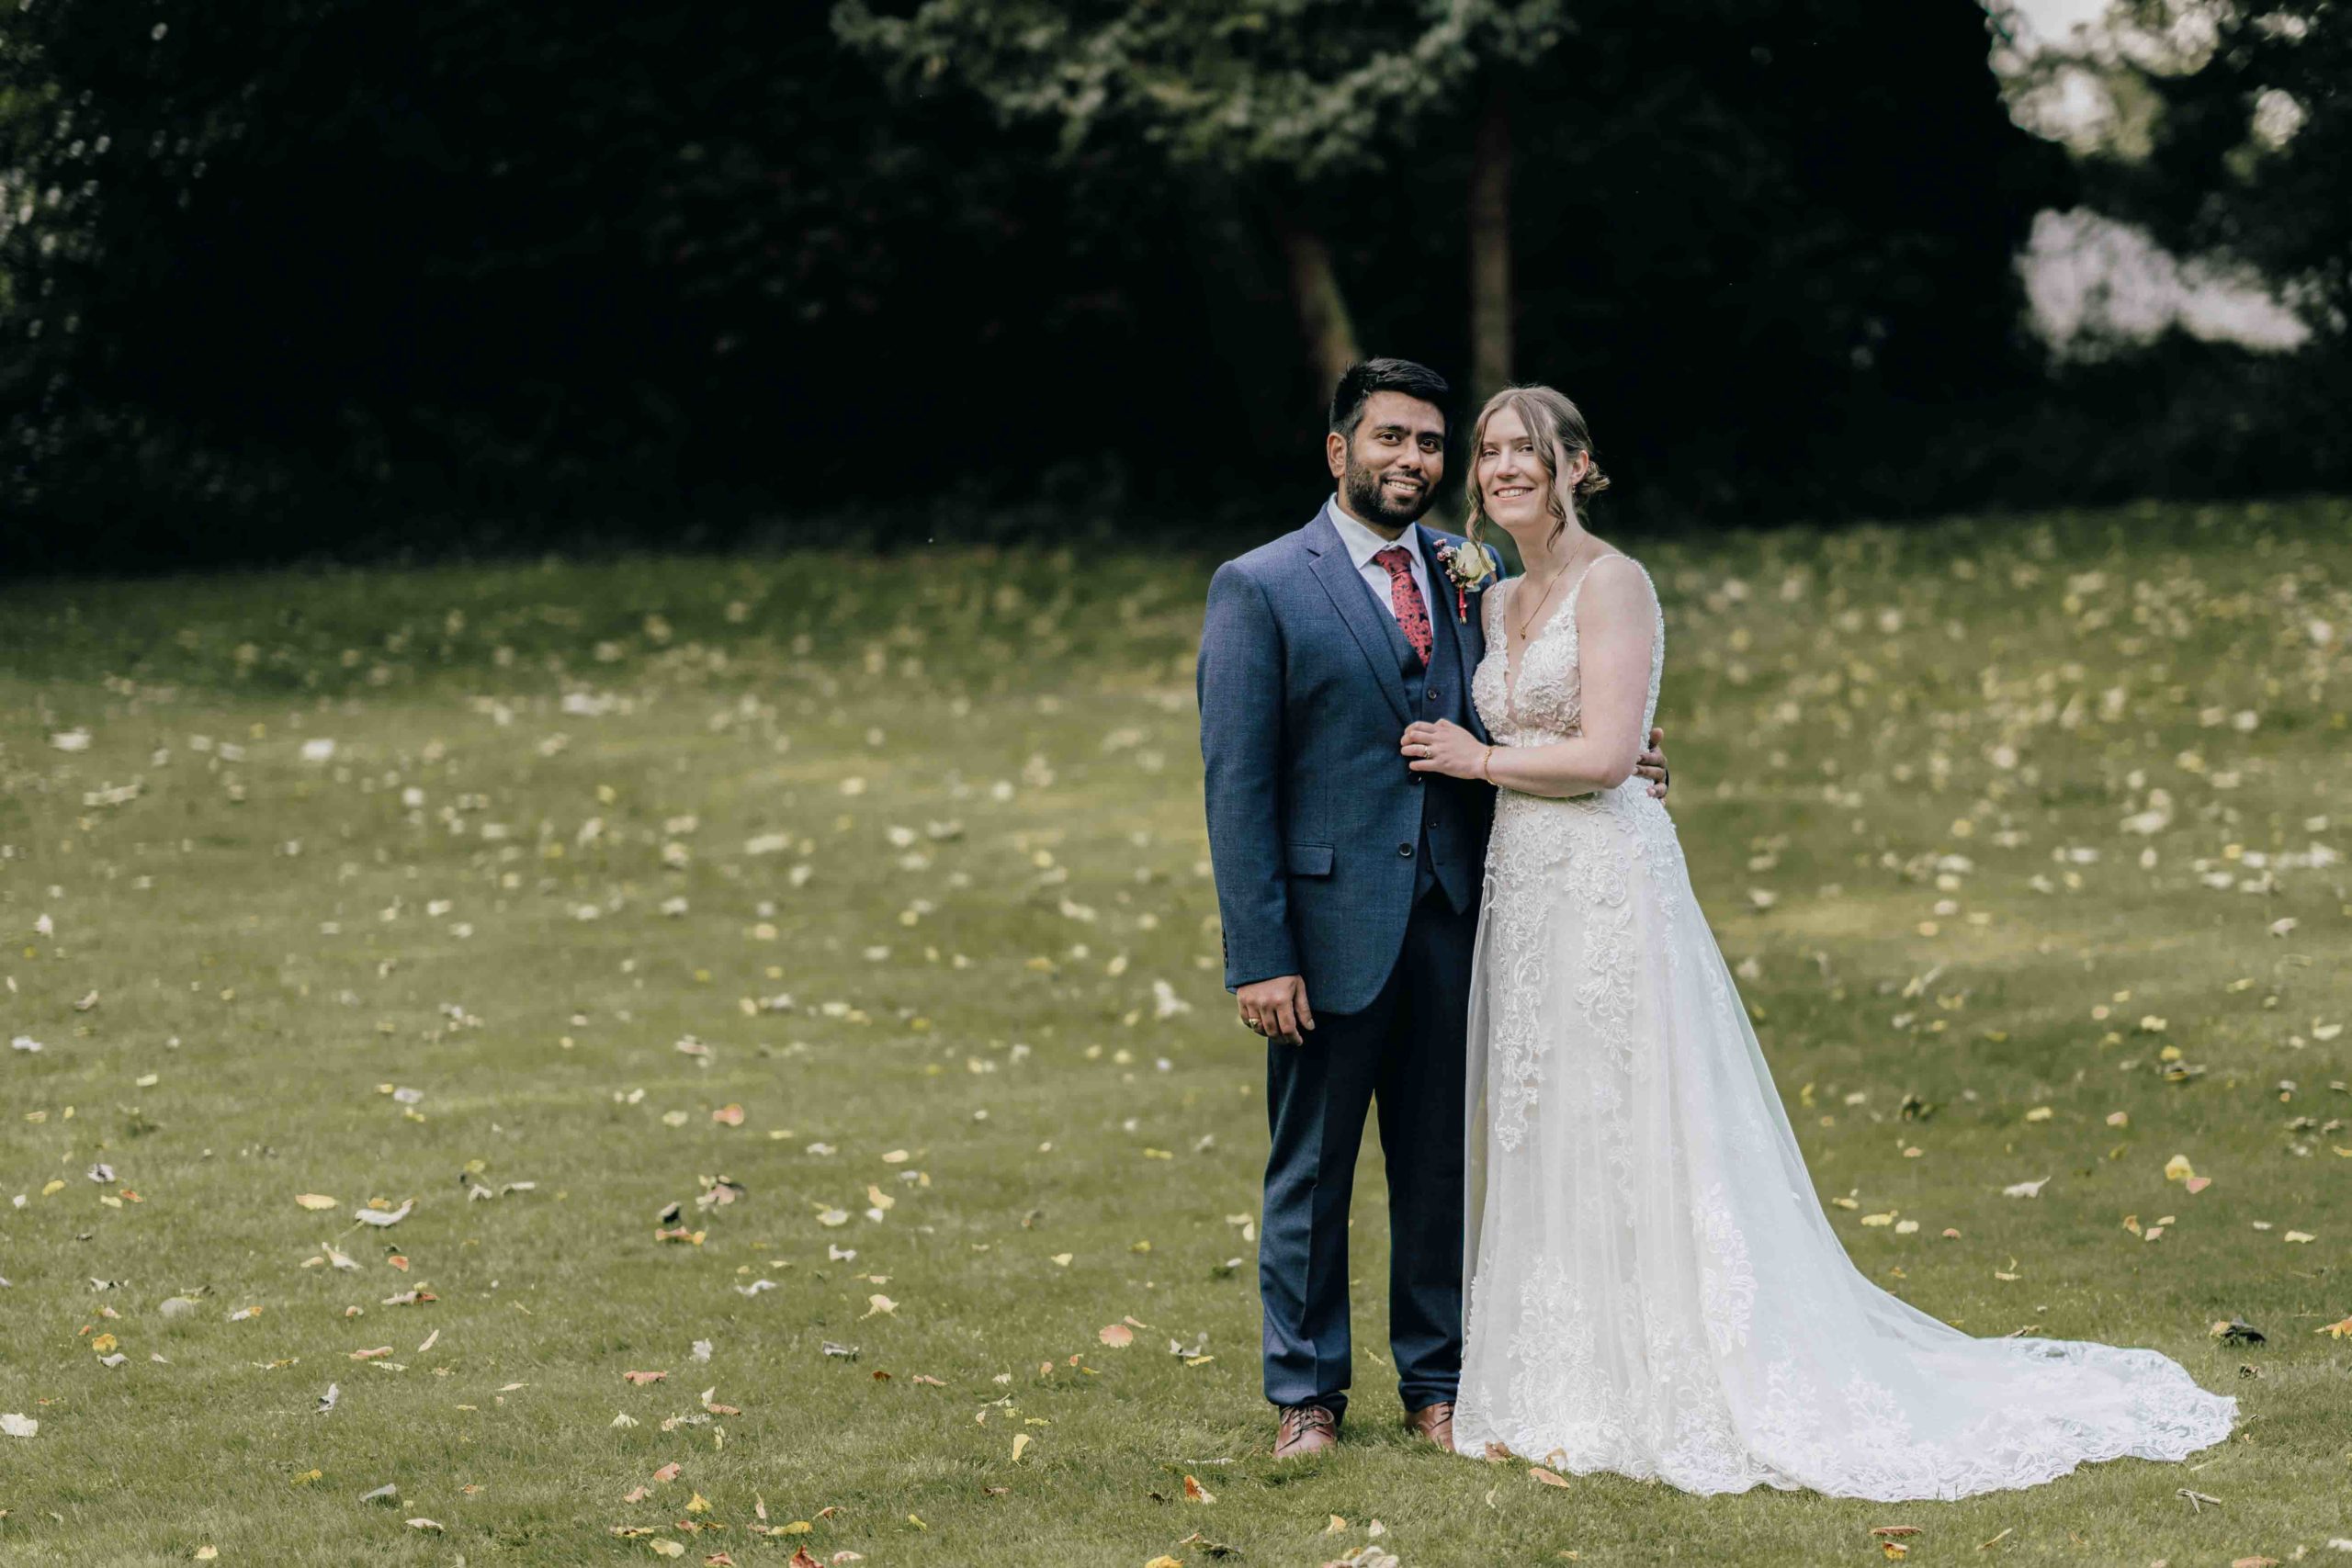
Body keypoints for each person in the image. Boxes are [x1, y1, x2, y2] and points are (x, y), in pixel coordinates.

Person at [1400, 382, 2236, 1498]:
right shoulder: (1496, 599)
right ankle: (1567, 1379)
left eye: (1528, 451)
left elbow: (1604, 757)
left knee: (1640, 1114)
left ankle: (1688, 1373)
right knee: (1552, 1115)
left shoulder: (1617, 584)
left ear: (1577, 466)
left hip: (1605, 886)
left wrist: (1481, 760)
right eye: (1492, 451)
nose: (1504, 468)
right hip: (1528, 891)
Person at [1196, 358, 1671, 1459]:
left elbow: (1544, 709)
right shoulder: (1260, 585)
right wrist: (1259, 954)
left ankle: (1438, 1382)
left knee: (1438, 1168)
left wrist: (1625, 753)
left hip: (1463, 919)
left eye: (1425, 442)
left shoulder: (1475, 581)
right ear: (1339, 451)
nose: (1410, 458)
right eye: (1388, 439)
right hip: (1323, 935)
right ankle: (1306, 1396)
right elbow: (1237, 784)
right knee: (1310, 1168)